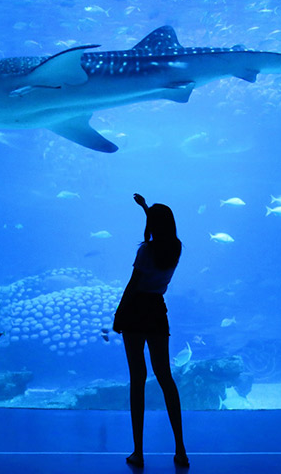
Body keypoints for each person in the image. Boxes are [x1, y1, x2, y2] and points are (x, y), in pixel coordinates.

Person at [113, 193, 189, 468]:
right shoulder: (176, 248)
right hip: (157, 311)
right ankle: (180, 449)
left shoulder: (145, 251)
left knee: (138, 379)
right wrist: (145, 208)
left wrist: (118, 314)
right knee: (165, 378)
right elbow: (159, 227)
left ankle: (138, 452)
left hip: (135, 312)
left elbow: (133, 285)